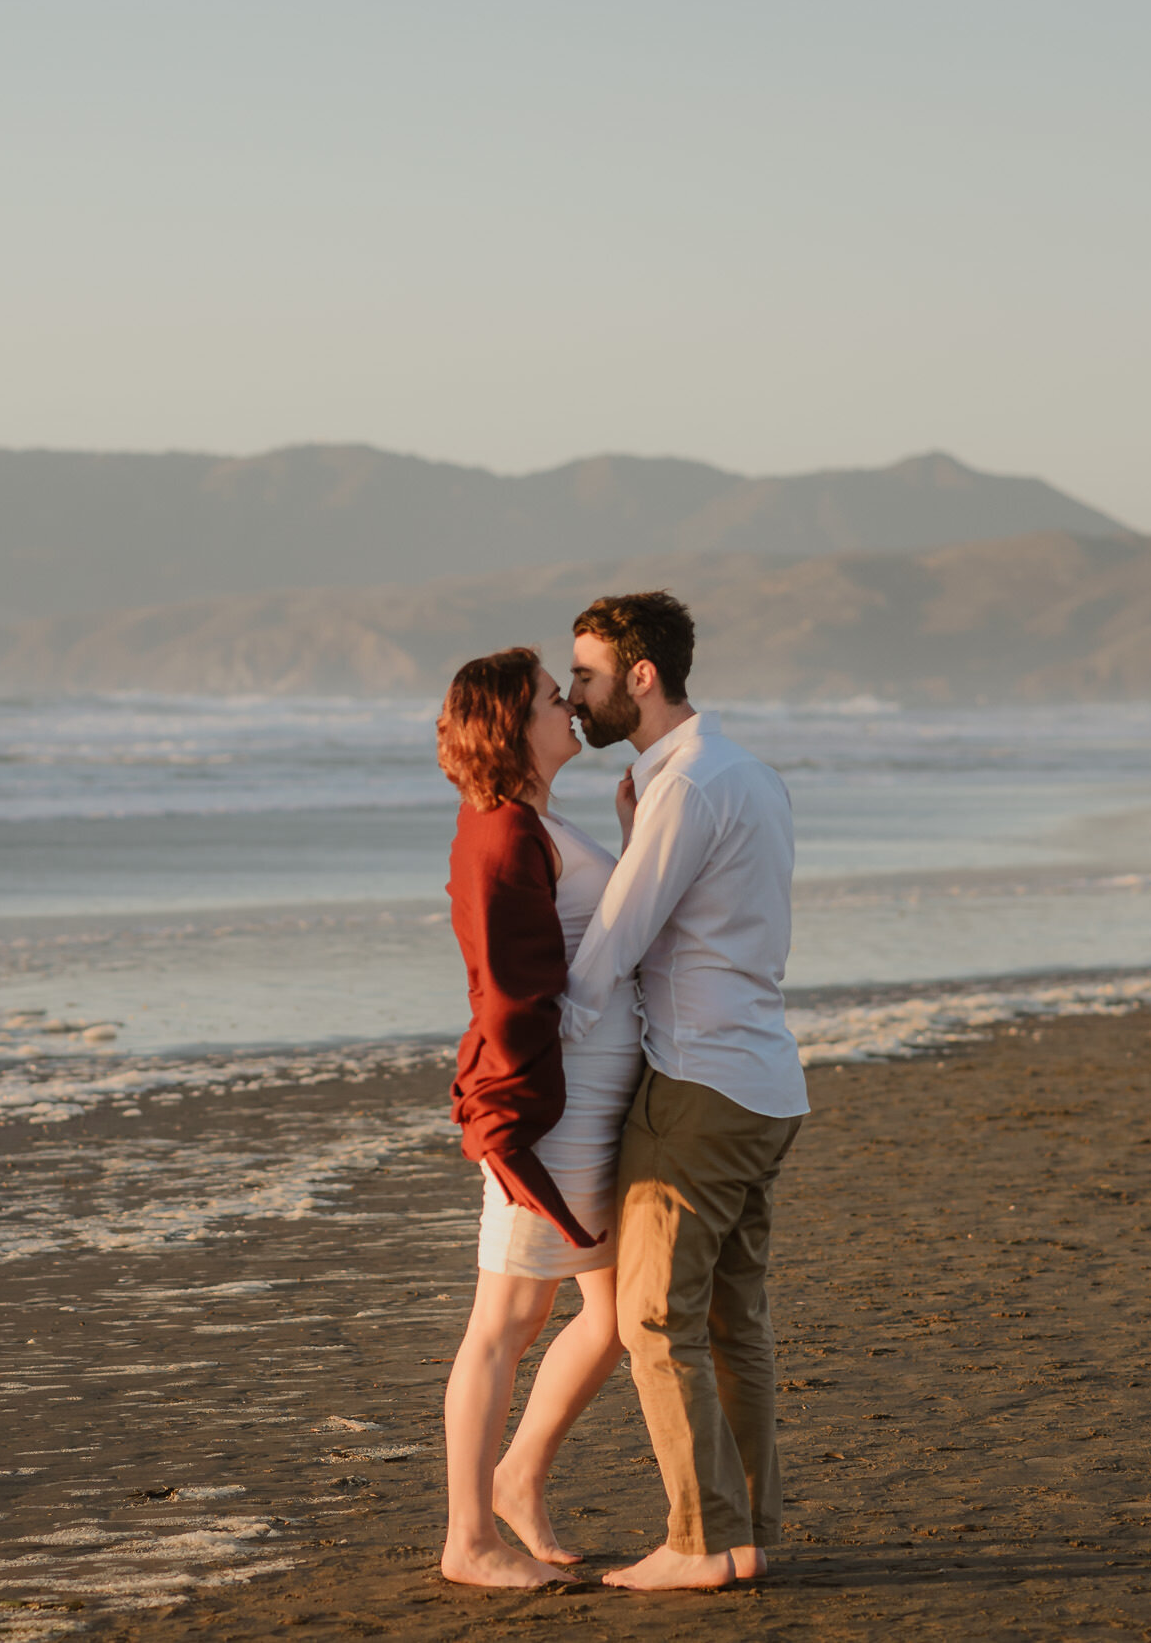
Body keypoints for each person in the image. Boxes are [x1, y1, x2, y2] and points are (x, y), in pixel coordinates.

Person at [558, 592, 811, 1592]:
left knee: (655, 1317)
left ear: (641, 677)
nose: (573, 694)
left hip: (699, 1088)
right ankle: (746, 1535)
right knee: (729, 1321)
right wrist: (635, 824)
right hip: (762, 1082)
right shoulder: (743, 774)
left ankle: (700, 1542)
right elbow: (692, 919)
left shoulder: (690, 787)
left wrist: (548, 1053)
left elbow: (612, 945)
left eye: (584, 674)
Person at [434, 646, 646, 1588]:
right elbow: (501, 990)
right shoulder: (499, 830)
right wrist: (500, 1122)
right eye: (555, 699)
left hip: (594, 1099)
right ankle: (468, 1538)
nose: (571, 707)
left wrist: (634, 839)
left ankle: (519, 1475)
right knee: (506, 1320)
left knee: (614, 1314)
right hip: (540, 1113)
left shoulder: (538, 819)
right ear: (512, 724)